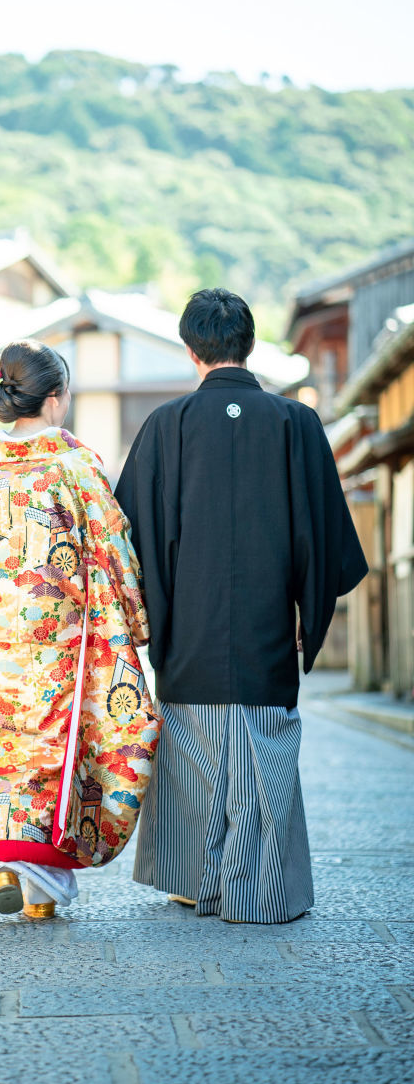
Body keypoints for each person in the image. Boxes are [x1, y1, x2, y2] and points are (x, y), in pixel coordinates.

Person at [115, 288, 368, 924]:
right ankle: (263, 892)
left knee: (194, 759)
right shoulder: (297, 423)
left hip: (189, 636)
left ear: (189, 348)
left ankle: (193, 880)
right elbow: (328, 538)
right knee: (264, 753)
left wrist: (149, 618)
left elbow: (127, 537)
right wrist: (308, 615)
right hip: (266, 633)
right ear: (249, 345)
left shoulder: (166, 425)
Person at [0, 339, 159, 919]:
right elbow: (113, 548)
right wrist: (136, 622)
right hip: (61, 641)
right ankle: (40, 889)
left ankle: (4, 865)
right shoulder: (74, 464)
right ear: (56, 399)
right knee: (53, 749)